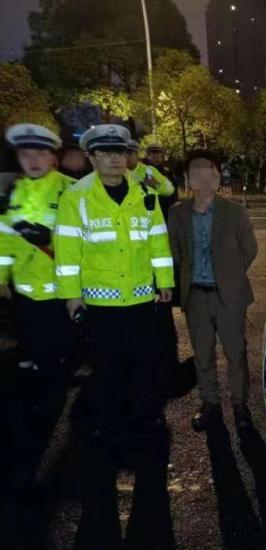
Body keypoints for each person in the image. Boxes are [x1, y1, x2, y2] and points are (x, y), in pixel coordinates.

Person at [54, 124, 174, 449]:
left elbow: (158, 242)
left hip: (140, 298)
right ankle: (108, 425)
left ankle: (145, 419)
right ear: (91, 157)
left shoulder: (145, 194)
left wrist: (164, 281)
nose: (114, 158)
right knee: (106, 368)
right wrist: (71, 296)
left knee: (143, 363)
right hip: (99, 303)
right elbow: (67, 251)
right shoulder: (76, 197)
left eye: (119, 151)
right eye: (105, 152)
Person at [167, 149, 257, 435]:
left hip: (228, 296)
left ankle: (240, 405)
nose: (202, 177)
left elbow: (249, 249)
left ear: (217, 176)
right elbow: (175, 252)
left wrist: (229, 275)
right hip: (195, 296)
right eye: (195, 171)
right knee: (202, 354)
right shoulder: (177, 213)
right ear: (187, 178)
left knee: (235, 353)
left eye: (209, 170)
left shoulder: (235, 211)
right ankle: (210, 403)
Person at [0, 124, 76, 415]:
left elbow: (86, 240)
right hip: (23, 291)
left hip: (61, 291)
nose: (33, 160)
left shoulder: (71, 190)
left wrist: (50, 240)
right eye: (26, 153)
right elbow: (4, 240)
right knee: (32, 352)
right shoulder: (13, 192)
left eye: (41, 153)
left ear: (54, 157)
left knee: (60, 356)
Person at [128, 139, 183, 391]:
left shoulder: (149, 172)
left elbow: (170, 191)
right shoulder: (110, 179)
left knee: (161, 318)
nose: (126, 158)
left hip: (157, 236)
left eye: (130, 152)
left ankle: (166, 370)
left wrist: (154, 185)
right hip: (129, 260)